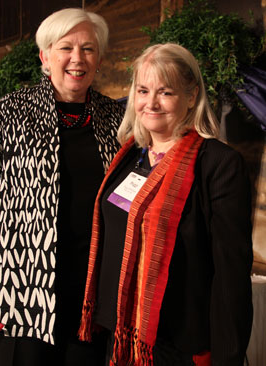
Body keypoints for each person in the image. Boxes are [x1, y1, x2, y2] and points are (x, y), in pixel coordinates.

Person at [0, 8, 124, 366]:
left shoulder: (115, 119)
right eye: (66, 47)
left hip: (90, 300)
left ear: (99, 58)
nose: (77, 58)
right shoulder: (11, 112)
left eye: (88, 48)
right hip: (18, 300)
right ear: (45, 56)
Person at [78, 43, 253, 366]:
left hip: (181, 344)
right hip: (122, 337)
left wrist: (227, 356)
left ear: (191, 96)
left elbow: (231, 274)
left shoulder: (218, 164)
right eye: (143, 91)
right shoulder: (128, 156)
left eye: (166, 92)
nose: (151, 103)